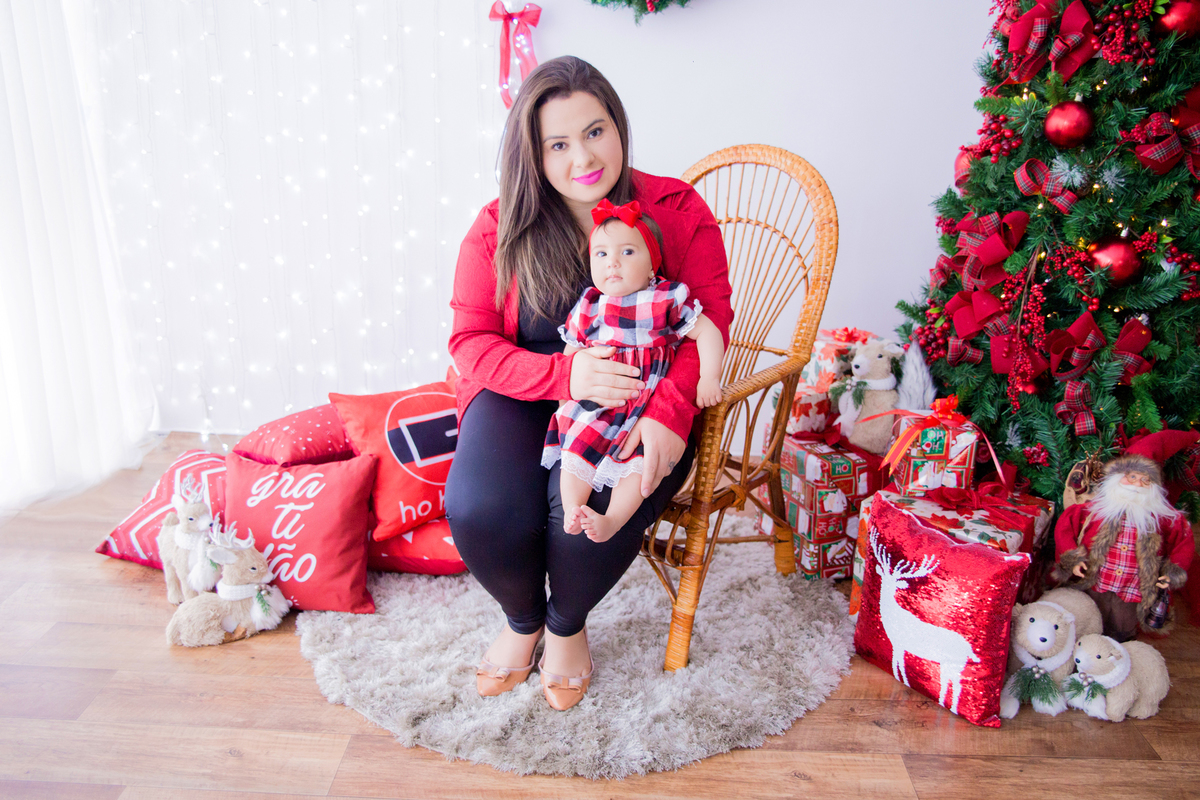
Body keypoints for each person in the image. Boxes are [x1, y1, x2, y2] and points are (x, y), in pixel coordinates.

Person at [445, 55, 732, 710]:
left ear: (618, 125)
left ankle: (565, 624)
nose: (584, 157)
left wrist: (668, 408)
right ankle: (523, 622)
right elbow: (470, 342)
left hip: (644, 389)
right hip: (530, 383)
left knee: (582, 515)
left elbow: (708, 321)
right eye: (559, 143)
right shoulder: (500, 225)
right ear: (533, 153)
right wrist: (564, 372)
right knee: (481, 507)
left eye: (596, 131)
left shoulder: (675, 209)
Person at [543, 200, 725, 545]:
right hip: (599, 399)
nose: (612, 261)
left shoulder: (665, 298)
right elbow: (569, 353)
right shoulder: (589, 304)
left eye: (627, 251)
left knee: (641, 464)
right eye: (601, 254)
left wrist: (709, 378)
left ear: (652, 264)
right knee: (574, 448)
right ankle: (572, 508)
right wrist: (565, 391)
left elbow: (708, 332)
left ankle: (611, 519)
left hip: (645, 405)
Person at [1054, 454, 1194, 641]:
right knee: (1088, 616)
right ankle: (1084, 644)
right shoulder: (1095, 510)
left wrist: (1172, 571)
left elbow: (1183, 542)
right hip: (1096, 581)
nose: (1137, 485)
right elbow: (1065, 526)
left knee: (1123, 627)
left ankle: (1118, 650)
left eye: (1146, 480)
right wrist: (1072, 558)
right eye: (1132, 477)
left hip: (1132, 587)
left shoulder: (1164, 519)